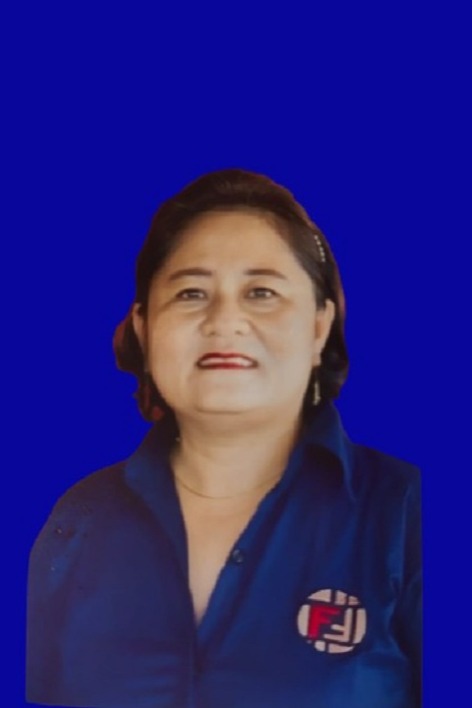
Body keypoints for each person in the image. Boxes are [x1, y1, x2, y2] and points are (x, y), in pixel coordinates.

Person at [26, 168, 422, 708]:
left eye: (262, 292)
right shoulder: (80, 521)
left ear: (318, 327)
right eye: (191, 292)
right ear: (144, 327)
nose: (224, 320)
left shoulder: (405, 513)